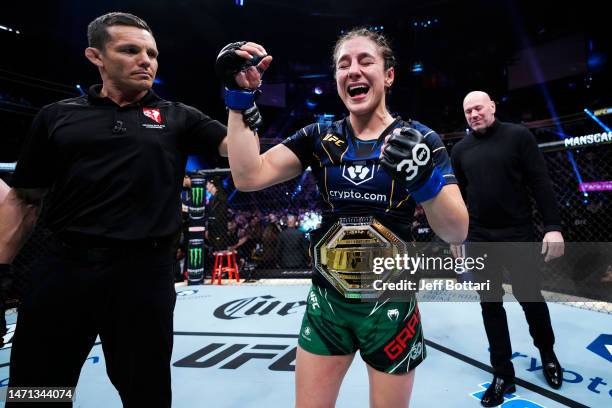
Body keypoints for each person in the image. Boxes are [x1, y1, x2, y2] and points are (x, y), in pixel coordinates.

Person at [217, 28, 468, 407]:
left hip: (390, 306)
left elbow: (456, 230)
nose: (353, 70)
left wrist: (425, 181)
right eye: (343, 64)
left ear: (388, 75)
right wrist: (238, 99)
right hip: (327, 304)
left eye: (365, 60)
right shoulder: (320, 137)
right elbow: (248, 176)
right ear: (336, 79)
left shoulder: (420, 138)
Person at [0, 12, 228, 407]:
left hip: (143, 276)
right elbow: (24, 199)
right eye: (130, 50)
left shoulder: (179, 117)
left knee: (145, 394)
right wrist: (0, 273)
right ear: (96, 56)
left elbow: (242, 157)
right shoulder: (57, 117)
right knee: (38, 392)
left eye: (152, 53)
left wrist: (241, 100)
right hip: (63, 271)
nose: (146, 61)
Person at [450, 91, 564, 407]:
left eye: (478, 108)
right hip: (481, 238)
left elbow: (540, 182)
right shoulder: (460, 150)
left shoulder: (518, 136)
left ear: (492, 107)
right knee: (490, 304)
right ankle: (502, 373)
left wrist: (553, 227)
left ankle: (548, 354)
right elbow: (459, 197)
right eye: (467, 110)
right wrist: (458, 237)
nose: (473, 114)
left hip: (518, 234)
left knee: (531, 298)